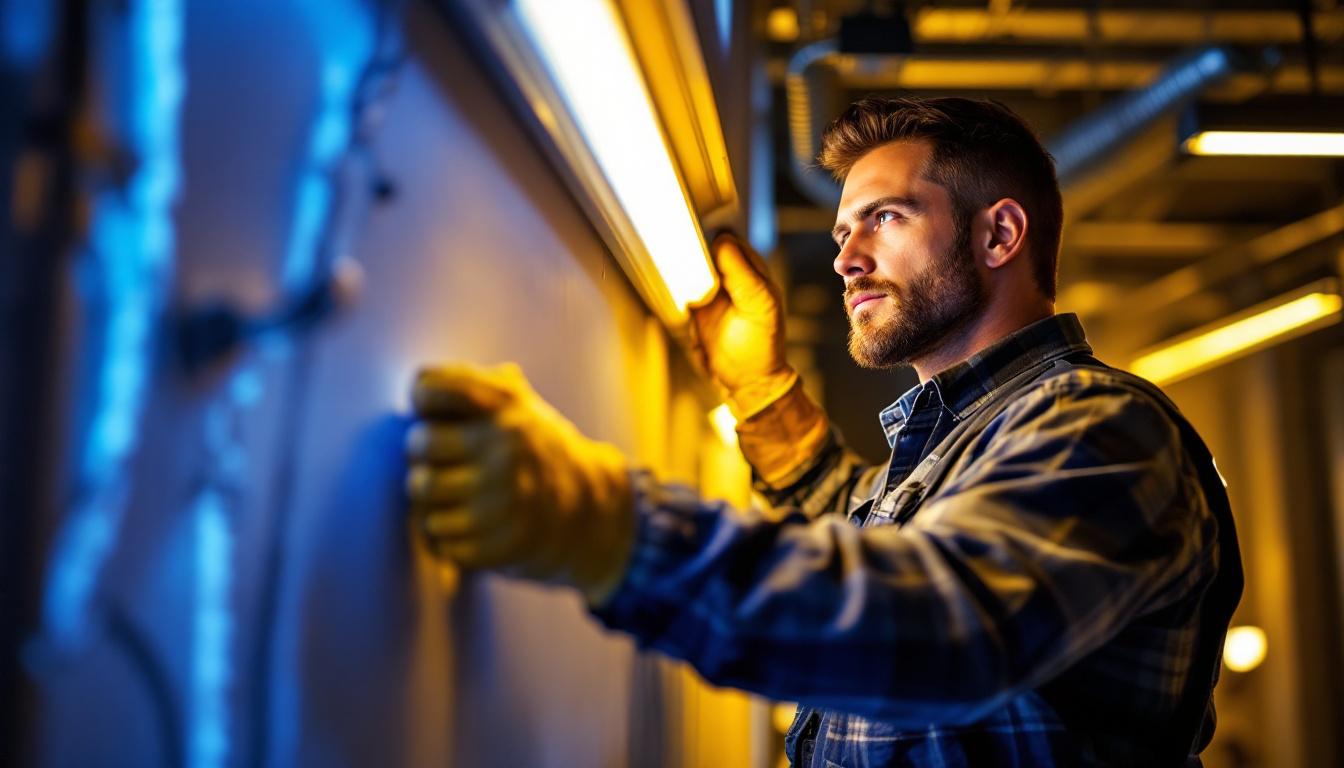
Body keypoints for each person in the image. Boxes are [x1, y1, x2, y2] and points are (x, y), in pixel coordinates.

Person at [404, 97, 1241, 767]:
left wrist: (607, 529)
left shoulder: (1103, 427)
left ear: (1000, 234)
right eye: (844, 231)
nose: (846, 258)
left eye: (886, 218)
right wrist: (763, 392)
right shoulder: (955, 445)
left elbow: (951, 622)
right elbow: (852, 521)